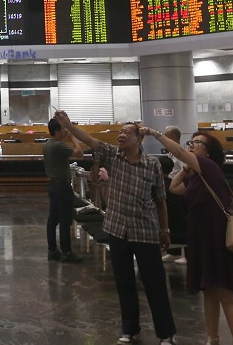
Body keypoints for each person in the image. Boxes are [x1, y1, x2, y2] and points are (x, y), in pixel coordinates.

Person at [55, 111, 177, 345]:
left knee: (155, 284)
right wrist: (68, 124)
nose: (121, 135)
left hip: (145, 231)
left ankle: (166, 333)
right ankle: (130, 329)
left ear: (139, 139)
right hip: (118, 230)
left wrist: (165, 230)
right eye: (120, 132)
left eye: (126, 133)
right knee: (124, 282)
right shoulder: (114, 156)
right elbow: (90, 140)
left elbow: (161, 201)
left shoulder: (152, 165)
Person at [149, 129, 233, 345]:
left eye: (197, 143)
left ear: (208, 152)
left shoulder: (209, 166)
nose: (191, 146)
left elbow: (179, 152)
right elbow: (174, 187)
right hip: (200, 234)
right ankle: (213, 338)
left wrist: (156, 135)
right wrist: (186, 169)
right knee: (208, 290)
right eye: (190, 142)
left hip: (215, 234)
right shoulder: (197, 176)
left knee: (224, 292)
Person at [43, 117, 84, 263]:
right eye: (63, 128)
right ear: (57, 131)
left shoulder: (47, 144)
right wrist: (72, 138)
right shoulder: (58, 145)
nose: (66, 130)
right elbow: (79, 153)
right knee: (65, 219)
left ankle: (52, 250)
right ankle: (67, 252)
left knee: (53, 218)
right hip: (62, 186)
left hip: (53, 185)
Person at [160, 126, 188, 265]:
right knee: (173, 222)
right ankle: (173, 252)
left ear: (172, 137)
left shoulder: (180, 153)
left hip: (178, 190)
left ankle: (187, 254)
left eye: (165, 135)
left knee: (182, 221)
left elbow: (185, 171)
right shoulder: (171, 152)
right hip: (169, 188)